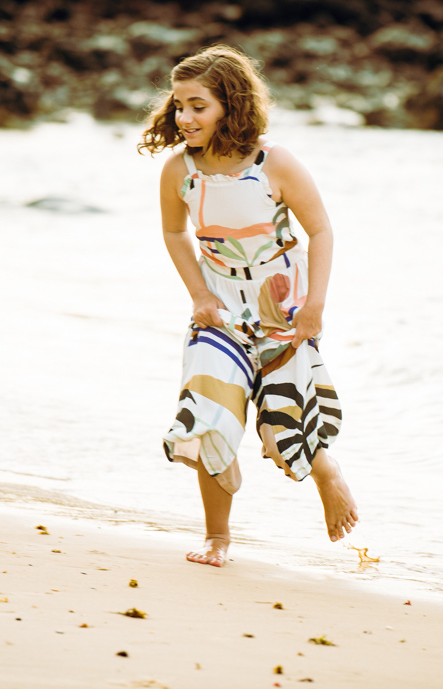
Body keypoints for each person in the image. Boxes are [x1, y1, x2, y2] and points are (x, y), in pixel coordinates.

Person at [138, 45, 359, 568]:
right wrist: (199, 294)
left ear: (229, 105)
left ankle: (328, 474)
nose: (184, 117)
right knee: (207, 412)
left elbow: (321, 230)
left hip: (281, 302)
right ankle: (217, 537)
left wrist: (315, 306)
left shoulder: (273, 162)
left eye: (198, 106)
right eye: (178, 106)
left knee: (282, 415)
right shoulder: (179, 171)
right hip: (218, 309)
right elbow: (174, 233)